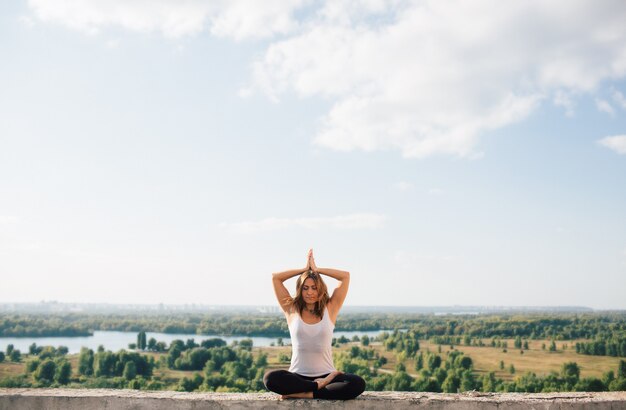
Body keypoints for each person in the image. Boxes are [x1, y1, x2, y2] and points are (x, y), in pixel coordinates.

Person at [263, 249, 366, 400]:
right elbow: (276, 278)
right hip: (298, 377)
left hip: (327, 374)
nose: (310, 292)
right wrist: (304, 269)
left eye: (314, 287)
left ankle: (307, 393)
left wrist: (317, 270)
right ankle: (316, 387)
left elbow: (345, 277)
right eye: (305, 288)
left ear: (320, 289)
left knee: (357, 383)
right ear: (300, 289)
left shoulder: (330, 308)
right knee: (270, 378)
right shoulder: (291, 309)